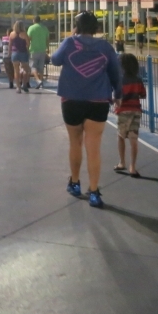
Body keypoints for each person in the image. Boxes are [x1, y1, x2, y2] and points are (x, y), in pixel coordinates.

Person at [51, 11, 121, 208]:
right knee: (94, 147)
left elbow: (55, 60)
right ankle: (94, 191)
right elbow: (116, 72)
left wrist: (72, 38)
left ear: (77, 26)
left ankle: (74, 183)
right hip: (98, 101)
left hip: (71, 99)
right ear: (96, 27)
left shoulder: (70, 42)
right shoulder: (105, 47)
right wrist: (119, 94)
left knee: (75, 142)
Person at [114, 53, 147, 177]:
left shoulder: (120, 80)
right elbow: (143, 94)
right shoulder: (138, 79)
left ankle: (122, 162)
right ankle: (132, 167)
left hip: (123, 110)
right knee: (134, 139)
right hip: (136, 111)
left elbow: (118, 96)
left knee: (121, 136)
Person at [27, 15, 50, 89]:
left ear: (34, 20)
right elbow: (47, 39)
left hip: (33, 50)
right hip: (42, 49)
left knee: (33, 66)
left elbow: (28, 39)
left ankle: (38, 80)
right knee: (41, 67)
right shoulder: (44, 28)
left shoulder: (31, 28)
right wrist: (47, 48)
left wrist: (27, 48)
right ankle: (41, 83)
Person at [9, 21, 31, 93]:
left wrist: (10, 53)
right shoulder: (24, 34)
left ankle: (18, 87)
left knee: (16, 71)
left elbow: (10, 45)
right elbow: (28, 44)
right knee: (26, 70)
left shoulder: (12, 34)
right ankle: (24, 84)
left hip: (15, 53)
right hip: (23, 52)